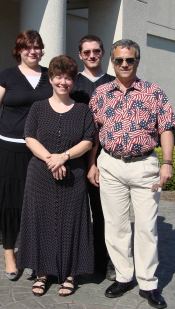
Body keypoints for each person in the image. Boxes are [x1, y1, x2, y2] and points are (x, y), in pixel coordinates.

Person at [88, 39, 175, 309]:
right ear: (112, 62)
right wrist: (92, 163)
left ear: (137, 61)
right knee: (115, 226)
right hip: (111, 165)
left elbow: (167, 128)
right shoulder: (101, 93)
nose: (124, 64)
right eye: (119, 60)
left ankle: (148, 283)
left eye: (130, 60)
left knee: (147, 227)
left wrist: (168, 162)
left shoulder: (154, 92)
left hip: (144, 166)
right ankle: (124, 276)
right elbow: (93, 133)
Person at [16, 55, 95, 297]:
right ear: (50, 78)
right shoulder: (38, 108)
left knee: (72, 223)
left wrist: (64, 157)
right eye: (58, 76)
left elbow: (88, 141)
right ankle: (42, 272)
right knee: (42, 221)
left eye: (68, 78)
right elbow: (30, 138)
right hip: (40, 175)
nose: (63, 82)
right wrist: (52, 159)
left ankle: (70, 273)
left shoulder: (82, 110)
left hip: (74, 175)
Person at [0, 30, 52, 281]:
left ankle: (35, 254)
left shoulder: (49, 77)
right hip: (8, 149)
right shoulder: (6, 76)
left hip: (40, 152)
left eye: (37, 47)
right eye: (27, 47)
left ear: (42, 49)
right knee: (10, 203)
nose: (33, 51)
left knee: (37, 204)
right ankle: (10, 254)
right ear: (18, 50)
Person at [70, 35, 116, 280]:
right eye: (86, 52)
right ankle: (75, 262)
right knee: (74, 213)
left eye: (95, 51)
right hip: (74, 158)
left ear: (103, 52)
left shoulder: (113, 82)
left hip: (104, 158)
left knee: (102, 213)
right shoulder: (71, 83)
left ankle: (104, 262)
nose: (91, 56)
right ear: (80, 55)